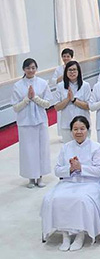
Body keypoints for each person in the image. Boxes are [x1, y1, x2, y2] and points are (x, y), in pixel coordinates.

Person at [41, 116, 100, 252]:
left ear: (88, 130)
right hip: (69, 182)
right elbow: (58, 170)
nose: (78, 132)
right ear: (71, 131)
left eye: (82, 129)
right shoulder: (66, 148)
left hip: (90, 183)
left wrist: (81, 167)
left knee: (81, 200)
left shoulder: (96, 147)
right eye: (75, 129)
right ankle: (65, 234)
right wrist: (70, 169)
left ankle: (80, 234)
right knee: (53, 198)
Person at [12, 58, 52, 188]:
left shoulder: (42, 83)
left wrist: (34, 98)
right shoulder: (18, 85)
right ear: (24, 69)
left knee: (41, 149)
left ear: (36, 68)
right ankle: (31, 177)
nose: (31, 70)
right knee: (28, 150)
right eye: (28, 68)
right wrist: (27, 99)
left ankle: (40, 177)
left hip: (40, 121)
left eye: (33, 67)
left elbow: (47, 103)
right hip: (25, 123)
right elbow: (15, 107)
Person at [54, 61, 91, 142]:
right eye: (69, 70)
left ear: (79, 71)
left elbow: (88, 106)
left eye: (74, 70)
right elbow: (57, 107)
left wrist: (74, 100)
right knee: (69, 151)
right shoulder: (60, 86)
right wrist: (67, 99)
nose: (72, 72)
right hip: (67, 124)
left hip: (83, 123)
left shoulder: (85, 85)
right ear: (65, 72)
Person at [49, 48, 74, 139]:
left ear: (71, 57)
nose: (66, 58)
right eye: (64, 56)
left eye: (68, 56)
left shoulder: (75, 67)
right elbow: (53, 81)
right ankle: (63, 134)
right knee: (61, 113)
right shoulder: (59, 69)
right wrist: (63, 76)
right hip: (61, 90)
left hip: (72, 90)